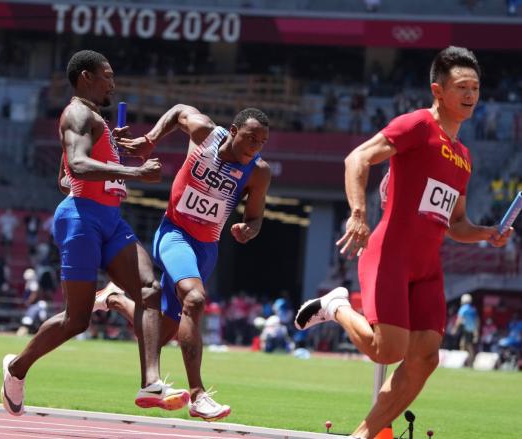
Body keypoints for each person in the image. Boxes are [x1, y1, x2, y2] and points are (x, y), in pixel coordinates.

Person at [294, 46, 513, 439]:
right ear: (438, 90)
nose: (470, 95)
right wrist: (358, 213)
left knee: (425, 358)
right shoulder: (416, 126)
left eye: (476, 88)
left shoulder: (464, 156)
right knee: (388, 351)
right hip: (391, 254)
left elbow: (455, 223)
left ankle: (364, 434)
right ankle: (336, 305)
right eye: (461, 87)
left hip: (428, 267)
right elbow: (357, 159)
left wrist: (486, 233)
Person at [1, 50, 188, 417]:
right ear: (86, 76)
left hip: (110, 219)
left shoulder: (96, 121)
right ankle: (15, 369)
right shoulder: (76, 114)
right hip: (81, 219)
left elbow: (63, 178)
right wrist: (131, 172)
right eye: (107, 75)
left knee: (151, 289)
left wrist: (113, 153)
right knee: (77, 319)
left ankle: (150, 382)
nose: (112, 83)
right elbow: (78, 166)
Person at [94, 104, 272, 421]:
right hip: (175, 233)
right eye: (250, 138)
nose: (254, 146)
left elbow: (255, 218)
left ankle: (115, 299)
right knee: (195, 298)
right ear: (233, 131)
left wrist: (249, 230)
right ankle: (198, 395)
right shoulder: (205, 133)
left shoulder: (258, 171)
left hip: (207, 248)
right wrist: (150, 139)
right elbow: (178, 112)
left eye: (261, 142)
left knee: (159, 334)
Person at [455, 293, 479, 366]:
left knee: (466, 346)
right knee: (465, 345)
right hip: (472, 330)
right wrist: (476, 332)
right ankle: (468, 361)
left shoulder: (463, 309)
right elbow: (477, 320)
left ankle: (469, 362)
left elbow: (459, 319)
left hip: (466, 330)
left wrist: (455, 329)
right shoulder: (473, 309)